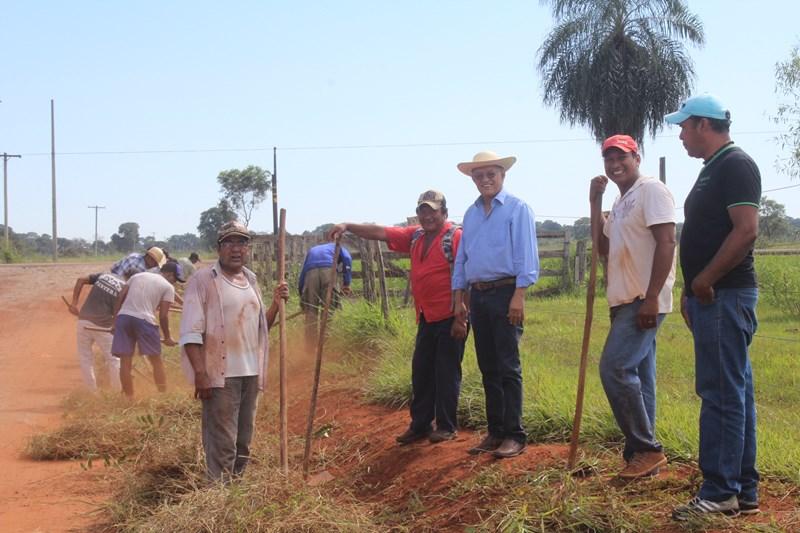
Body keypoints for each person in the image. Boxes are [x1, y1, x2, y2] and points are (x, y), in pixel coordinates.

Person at [665, 95, 762, 520]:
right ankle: (743, 489)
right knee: (735, 391)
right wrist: (691, 287)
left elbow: (745, 232)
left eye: (684, 127)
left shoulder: (736, 164)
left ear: (704, 124)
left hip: (724, 295)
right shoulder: (714, 168)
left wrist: (704, 280)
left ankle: (720, 492)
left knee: (721, 394)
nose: (681, 135)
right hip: (711, 296)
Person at [329, 190, 467, 445]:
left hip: (451, 315)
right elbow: (380, 232)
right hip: (426, 315)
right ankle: (421, 424)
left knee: (446, 371)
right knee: (421, 370)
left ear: (444, 213)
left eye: (432, 211)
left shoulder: (455, 237)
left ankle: (447, 426)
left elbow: (466, 276)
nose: (427, 216)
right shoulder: (416, 236)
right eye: (422, 211)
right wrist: (347, 225)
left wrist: (462, 317)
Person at [589, 134, 676, 479]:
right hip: (624, 300)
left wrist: (653, 296)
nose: (614, 165)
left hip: (643, 299)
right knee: (641, 377)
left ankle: (645, 449)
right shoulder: (623, 200)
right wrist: (595, 203)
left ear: (636, 157)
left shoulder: (651, 190)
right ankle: (643, 461)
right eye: (608, 160)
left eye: (621, 157)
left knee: (614, 369)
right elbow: (603, 248)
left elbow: (667, 241)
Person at [179, 221, 289, 481]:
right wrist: (200, 373)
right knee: (223, 445)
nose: (236, 248)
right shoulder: (203, 280)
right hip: (220, 375)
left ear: (248, 248)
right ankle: (217, 498)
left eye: (241, 242)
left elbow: (263, 326)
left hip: (251, 372)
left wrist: (275, 304)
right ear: (219, 248)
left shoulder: (251, 280)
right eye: (229, 242)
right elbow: (191, 333)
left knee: (243, 443)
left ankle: (236, 493)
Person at [452, 151, 539, 458]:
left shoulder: (517, 209)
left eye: (491, 174)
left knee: (507, 365)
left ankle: (514, 434)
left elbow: (526, 257)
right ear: (472, 180)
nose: (485, 180)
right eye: (479, 176)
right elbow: (463, 259)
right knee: (487, 365)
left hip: (505, 292)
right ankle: (495, 431)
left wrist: (519, 295)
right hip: (478, 294)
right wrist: (460, 299)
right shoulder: (471, 214)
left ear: (502, 176)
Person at [111, 261, 183, 397]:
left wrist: (115, 323)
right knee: (155, 360)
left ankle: (129, 398)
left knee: (125, 361)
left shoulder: (137, 276)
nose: (174, 282)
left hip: (123, 318)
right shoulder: (168, 287)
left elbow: (120, 297)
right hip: (145, 321)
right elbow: (163, 315)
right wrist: (167, 337)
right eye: (174, 278)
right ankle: (163, 395)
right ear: (168, 274)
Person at [67, 272, 126, 391]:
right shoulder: (126, 288)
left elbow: (80, 279)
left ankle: (92, 393)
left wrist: (74, 304)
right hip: (103, 326)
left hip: (83, 321)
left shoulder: (105, 275)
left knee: (85, 358)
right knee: (114, 359)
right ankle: (117, 392)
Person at [298, 241, 352, 351]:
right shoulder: (339, 247)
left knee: (311, 314)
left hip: (310, 274)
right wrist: (346, 283)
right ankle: (324, 348)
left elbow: (303, 273)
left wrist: (302, 295)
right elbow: (347, 259)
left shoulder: (313, 250)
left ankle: (310, 349)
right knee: (327, 313)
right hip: (328, 271)